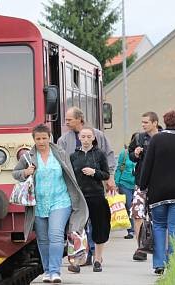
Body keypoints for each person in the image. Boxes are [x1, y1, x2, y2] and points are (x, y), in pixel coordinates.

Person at [12, 124, 88, 283]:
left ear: (49, 138)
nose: (41, 142)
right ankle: (47, 271)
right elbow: (15, 173)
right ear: (33, 139)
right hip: (38, 204)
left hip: (60, 201)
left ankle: (55, 271)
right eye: (38, 139)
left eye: (44, 138)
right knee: (43, 238)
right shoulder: (27, 157)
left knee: (55, 235)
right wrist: (25, 172)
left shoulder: (60, 153)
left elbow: (70, 176)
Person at [57, 106, 115, 266]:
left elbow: (108, 158)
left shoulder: (99, 137)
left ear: (79, 119)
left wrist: (110, 178)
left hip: (96, 190)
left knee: (97, 223)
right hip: (76, 192)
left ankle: (94, 255)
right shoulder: (63, 140)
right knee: (79, 225)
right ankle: (82, 255)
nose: (66, 122)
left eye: (69, 120)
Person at [140, 110, 175, 275]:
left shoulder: (157, 139)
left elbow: (147, 165)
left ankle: (159, 264)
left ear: (165, 122)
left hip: (158, 192)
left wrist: (143, 185)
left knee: (159, 226)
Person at [70, 126, 111, 273]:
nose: (86, 139)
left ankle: (98, 259)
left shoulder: (99, 154)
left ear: (94, 138)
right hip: (80, 197)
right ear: (79, 138)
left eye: (89, 136)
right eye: (83, 136)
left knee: (99, 227)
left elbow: (106, 174)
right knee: (78, 228)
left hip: (96, 195)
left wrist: (94, 172)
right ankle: (80, 258)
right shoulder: (73, 156)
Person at [128, 111, 159, 261]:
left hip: (158, 185)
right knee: (137, 214)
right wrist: (135, 153)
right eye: (142, 122)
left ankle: (157, 247)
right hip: (140, 184)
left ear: (155, 123)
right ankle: (140, 247)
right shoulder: (139, 138)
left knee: (157, 217)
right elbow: (131, 157)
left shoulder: (162, 138)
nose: (143, 125)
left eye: (146, 122)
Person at [114, 136, 137, 239]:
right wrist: (116, 183)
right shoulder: (124, 153)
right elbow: (119, 168)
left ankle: (139, 228)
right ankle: (131, 230)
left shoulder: (144, 153)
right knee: (129, 206)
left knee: (138, 207)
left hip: (139, 184)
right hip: (124, 183)